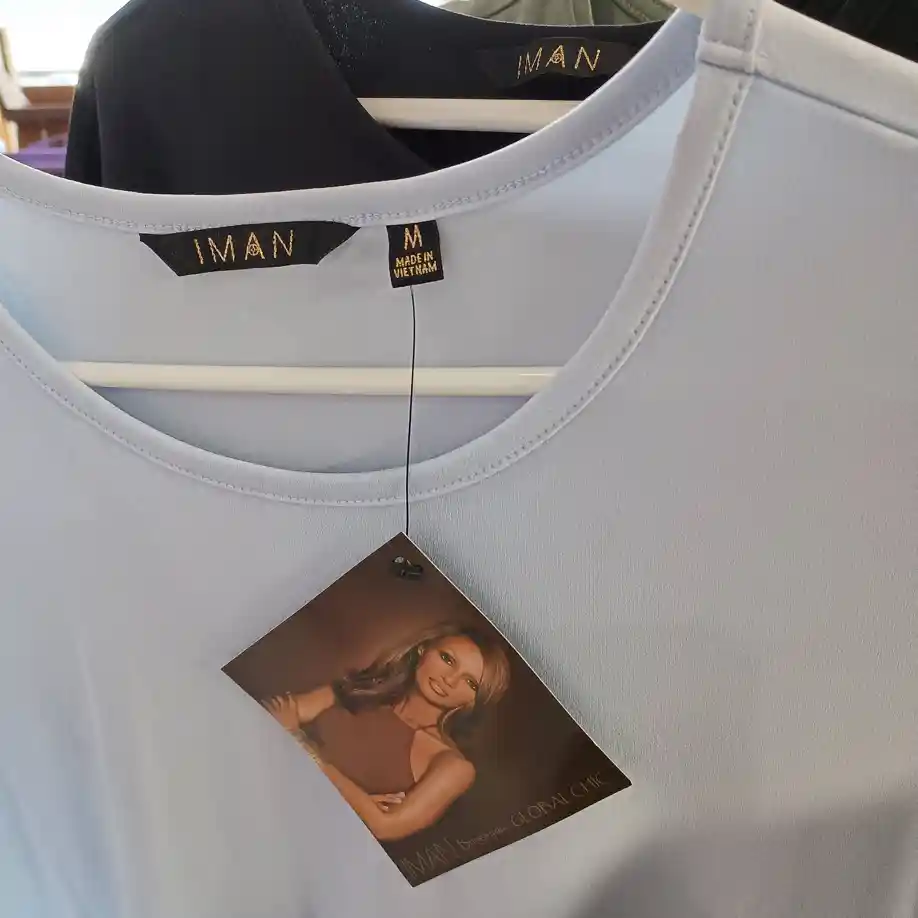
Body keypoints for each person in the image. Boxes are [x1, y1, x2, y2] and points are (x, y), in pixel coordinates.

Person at [264, 622, 510, 841]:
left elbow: (384, 827)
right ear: (423, 649)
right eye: (447, 659)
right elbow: (269, 715)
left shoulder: (453, 766)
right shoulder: (357, 691)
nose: (450, 679)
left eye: (470, 682)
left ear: (475, 701)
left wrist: (302, 744)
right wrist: (360, 802)